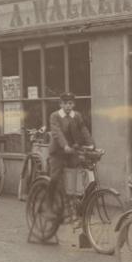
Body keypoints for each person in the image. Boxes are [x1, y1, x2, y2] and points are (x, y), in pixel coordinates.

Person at [45, 92, 94, 229]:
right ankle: (49, 206)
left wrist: (91, 144)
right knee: (55, 178)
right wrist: (65, 145)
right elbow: (57, 132)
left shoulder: (76, 116)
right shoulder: (55, 116)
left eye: (70, 103)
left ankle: (74, 210)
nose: (68, 106)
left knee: (76, 179)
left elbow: (83, 130)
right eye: (65, 103)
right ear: (61, 104)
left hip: (72, 152)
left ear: (74, 104)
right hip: (58, 152)